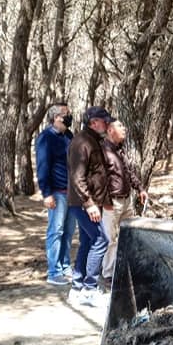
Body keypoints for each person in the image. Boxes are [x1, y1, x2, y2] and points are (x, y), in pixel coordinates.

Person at [66, 106, 114, 308]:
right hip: (83, 204)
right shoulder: (82, 142)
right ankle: (89, 289)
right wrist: (89, 204)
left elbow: (98, 174)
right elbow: (77, 177)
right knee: (101, 240)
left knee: (87, 241)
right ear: (94, 122)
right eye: (104, 121)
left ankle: (77, 288)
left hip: (92, 202)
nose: (107, 124)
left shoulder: (94, 140)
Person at [99, 118, 148, 286]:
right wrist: (105, 202)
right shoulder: (102, 151)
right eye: (120, 126)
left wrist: (140, 188)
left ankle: (124, 270)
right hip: (112, 202)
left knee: (128, 235)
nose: (124, 128)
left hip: (126, 201)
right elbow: (98, 180)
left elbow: (128, 172)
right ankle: (108, 274)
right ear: (110, 130)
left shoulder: (119, 150)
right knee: (110, 238)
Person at [35, 102, 75, 286]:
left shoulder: (69, 136)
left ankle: (65, 266)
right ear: (56, 117)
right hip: (57, 193)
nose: (69, 116)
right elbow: (42, 167)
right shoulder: (46, 137)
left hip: (72, 192)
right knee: (55, 231)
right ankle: (54, 272)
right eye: (66, 114)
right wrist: (47, 193)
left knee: (68, 232)